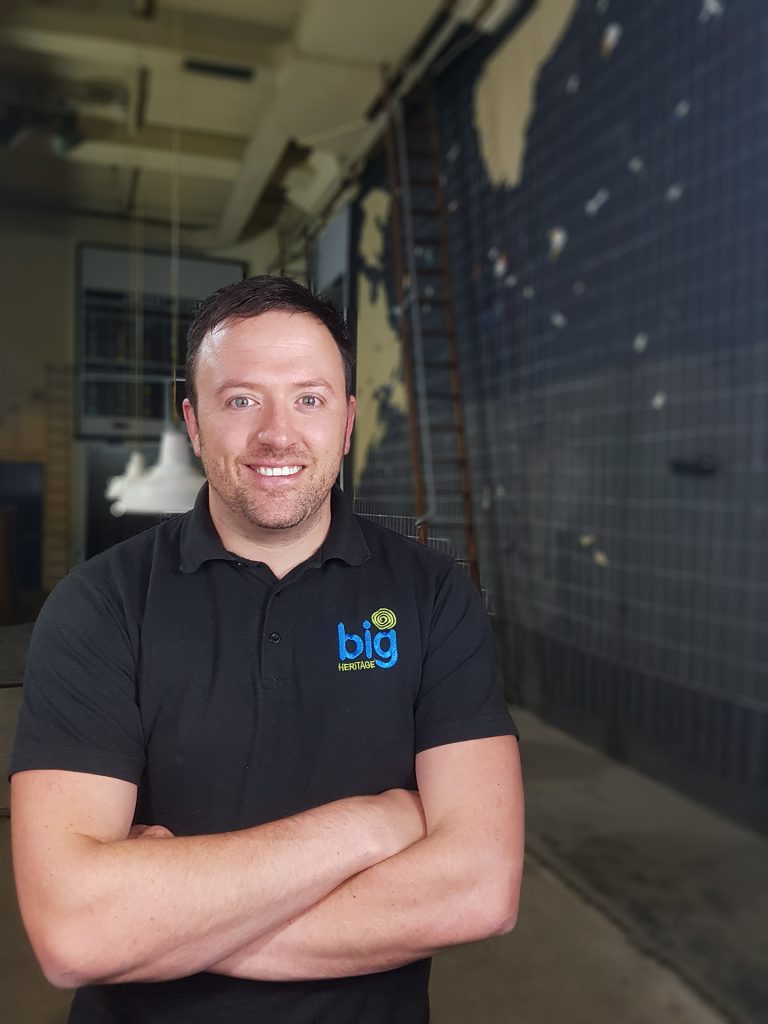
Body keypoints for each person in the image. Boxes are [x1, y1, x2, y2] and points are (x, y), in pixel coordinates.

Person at [10, 275, 524, 1024]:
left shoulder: (434, 596)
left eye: (309, 399)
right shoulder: (100, 605)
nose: (277, 435)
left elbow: (479, 888)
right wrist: (372, 824)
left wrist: (159, 927)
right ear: (193, 423)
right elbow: (75, 932)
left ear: (347, 422)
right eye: (242, 400)